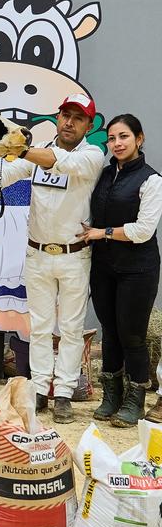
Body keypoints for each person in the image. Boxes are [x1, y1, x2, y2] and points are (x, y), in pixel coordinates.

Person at [0, 94, 104, 423]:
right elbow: (3, 176)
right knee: (40, 327)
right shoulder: (39, 154)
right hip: (37, 252)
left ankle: (64, 393)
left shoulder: (92, 155)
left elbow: (56, 161)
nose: (69, 123)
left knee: (72, 328)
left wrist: (18, 149)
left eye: (78, 118)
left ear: (89, 125)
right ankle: (40, 388)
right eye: (65, 115)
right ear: (57, 117)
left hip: (74, 255)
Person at [77, 114, 162, 426]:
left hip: (137, 268)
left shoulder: (152, 181)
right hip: (103, 266)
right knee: (110, 331)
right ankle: (111, 395)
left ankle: (135, 399)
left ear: (139, 139)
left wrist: (102, 233)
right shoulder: (103, 174)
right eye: (112, 138)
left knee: (132, 335)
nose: (117, 143)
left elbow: (143, 230)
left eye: (124, 136)